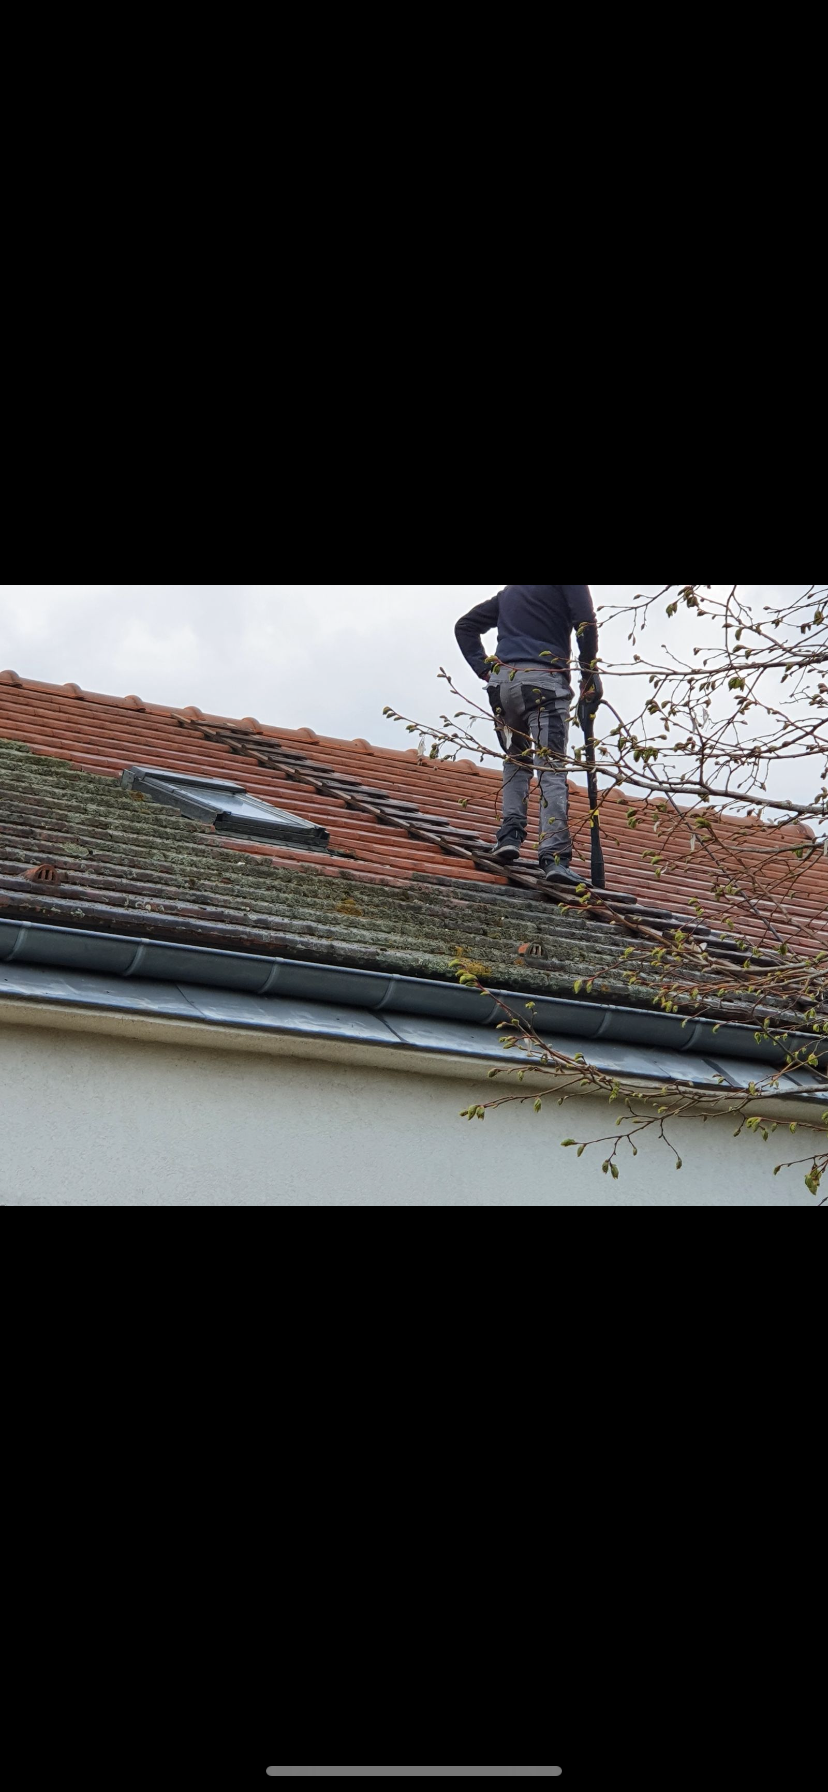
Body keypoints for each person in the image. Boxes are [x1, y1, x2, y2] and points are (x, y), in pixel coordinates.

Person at [455, 584, 603, 885]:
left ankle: (509, 836)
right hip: (543, 683)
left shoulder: (512, 591)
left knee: (516, 760)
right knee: (551, 767)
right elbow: (585, 625)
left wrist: (485, 670)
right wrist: (589, 675)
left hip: (503, 687)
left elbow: (465, 626)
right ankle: (554, 857)